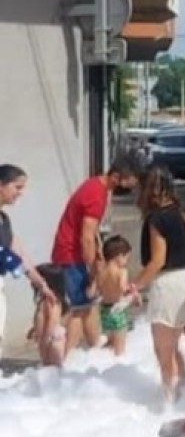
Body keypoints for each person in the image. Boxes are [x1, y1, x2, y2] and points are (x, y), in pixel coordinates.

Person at [43, 154, 144, 364]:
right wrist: (93, 268)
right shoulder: (96, 194)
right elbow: (87, 236)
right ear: (118, 176)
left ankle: (95, 351)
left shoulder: (95, 187)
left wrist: (97, 252)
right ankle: (65, 358)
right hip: (72, 254)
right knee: (79, 308)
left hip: (70, 252)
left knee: (88, 306)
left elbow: (93, 232)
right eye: (132, 179)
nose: (133, 184)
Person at [127, 166, 185, 401]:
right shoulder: (182, 212)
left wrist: (135, 285)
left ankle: (168, 398)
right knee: (174, 343)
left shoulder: (157, 218)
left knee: (163, 349)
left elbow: (158, 260)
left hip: (168, 284)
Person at [0, 165, 59, 354]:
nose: (20, 193)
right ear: (1, 185)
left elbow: (19, 253)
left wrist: (41, 283)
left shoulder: (4, 220)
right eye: (17, 187)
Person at [93, 235, 135, 357]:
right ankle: (118, 370)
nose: (126, 261)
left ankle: (98, 360)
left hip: (104, 311)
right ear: (119, 256)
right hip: (118, 311)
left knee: (110, 343)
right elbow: (122, 288)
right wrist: (131, 290)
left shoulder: (101, 272)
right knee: (120, 349)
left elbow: (92, 291)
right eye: (126, 257)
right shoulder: (122, 271)